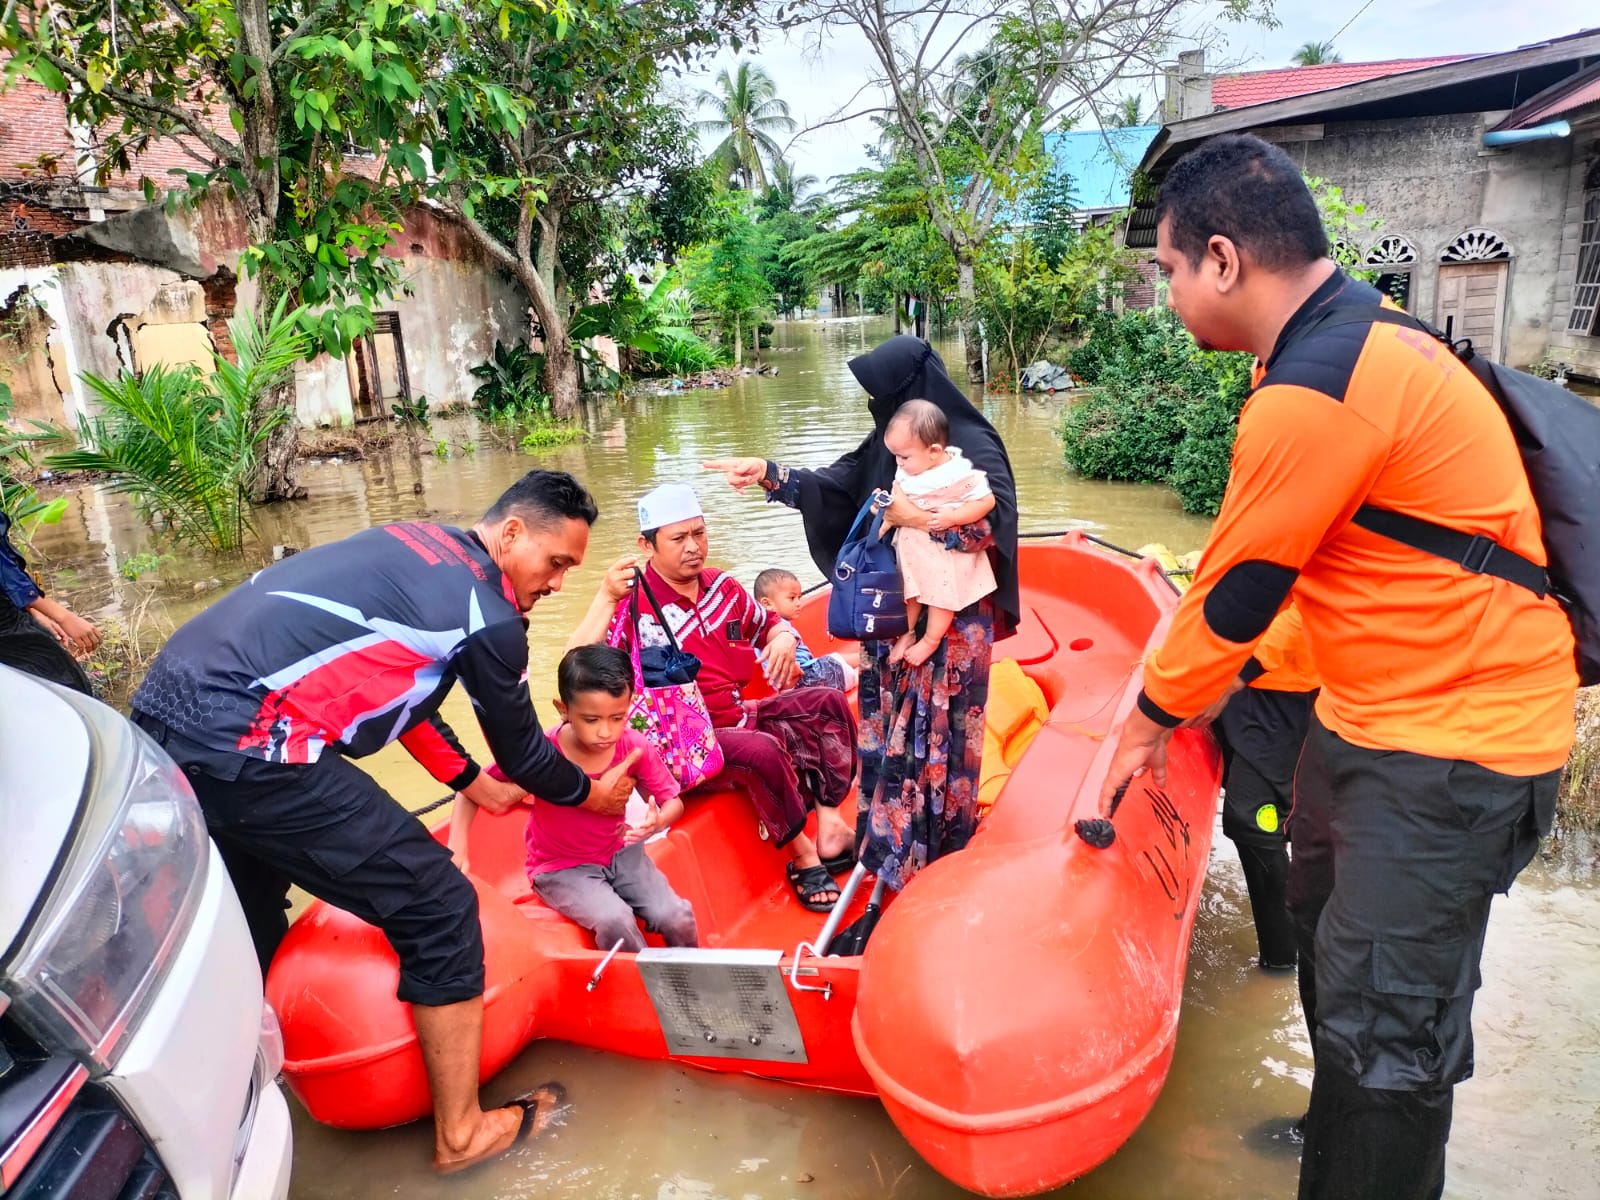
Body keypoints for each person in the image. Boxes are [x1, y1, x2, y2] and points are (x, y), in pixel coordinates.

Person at [1095, 134, 1576, 1200]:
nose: (1167, 294)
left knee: (1388, 1034)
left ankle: (1365, 1157)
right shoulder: (1358, 340)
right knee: (1333, 958)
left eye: (1167, 270)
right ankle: (1337, 1133)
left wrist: (1138, 731)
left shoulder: (1322, 382)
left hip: (1449, 749)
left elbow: (1236, 591)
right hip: (1364, 719)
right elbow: (1322, 573)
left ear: (1222, 260)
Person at [130, 470, 638, 1175]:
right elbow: (524, 754)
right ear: (512, 533)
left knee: (245, 905)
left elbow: (397, 684)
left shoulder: (419, 541)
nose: (557, 583)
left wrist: (471, 787)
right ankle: (462, 1134)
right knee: (439, 904)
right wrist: (589, 795)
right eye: (556, 564)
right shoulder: (489, 617)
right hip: (251, 739)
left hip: (165, 716)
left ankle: (248, 1086)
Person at [705, 335, 1019, 893]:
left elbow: (989, 530)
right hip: (891, 618)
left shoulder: (970, 445)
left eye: (883, 394)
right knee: (889, 741)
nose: (877, 408)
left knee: (932, 744)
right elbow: (840, 483)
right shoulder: (892, 442)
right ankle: (887, 849)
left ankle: (932, 860)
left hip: (949, 631)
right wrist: (770, 473)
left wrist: (917, 519)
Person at [567, 483, 858, 911]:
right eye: (678, 538)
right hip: (679, 746)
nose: (693, 547)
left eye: (699, 534)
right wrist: (604, 597)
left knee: (826, 702)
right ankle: (804, 857)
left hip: (737, 716)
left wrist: (780, 637)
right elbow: (575, 666)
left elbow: (768, 623)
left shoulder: (723, 587)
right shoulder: (631, 604)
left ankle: (830, 823)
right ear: (646, 545)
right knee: (760, 750)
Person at [449, 644, 697, 954]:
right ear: (563, 709)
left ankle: (694, 974)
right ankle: (640, 986)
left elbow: (673, 802)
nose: (605, 732)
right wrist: (458, 845)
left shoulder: (635, 745)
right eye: (591, 720)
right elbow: (470, 786)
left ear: (630, 706)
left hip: (621, 852)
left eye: (617, 718)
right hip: (561, 867)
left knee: (675, 915)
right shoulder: (540, 751)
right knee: (615, 921)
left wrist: (658, 821)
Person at [1211, 601, 1318, 972]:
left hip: (1283, 687)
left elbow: (1312, 602)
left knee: (1257, 827)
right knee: (1252, 820)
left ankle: (1284, 961)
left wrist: (1242, 667)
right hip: (1237, 679)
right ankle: (1288, 954)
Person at [880, 399, 997, 668]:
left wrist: (953, 517)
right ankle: (907, 632)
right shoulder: (910, 466)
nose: (898, 462)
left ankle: (930, 640)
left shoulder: (958, 474)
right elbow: (898, 498)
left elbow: (986, 502)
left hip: (944, 554)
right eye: (895, 456)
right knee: (908, 592)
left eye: (904, 457)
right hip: (911, 549)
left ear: (933, 451)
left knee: (940, 595)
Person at [1, 508, 100, 694]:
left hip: (12, 617)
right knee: (68, 690)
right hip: (8, 631)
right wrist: (61, 615)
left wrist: (32, 610)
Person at [752, 567, 858, 692]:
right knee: (842, 663)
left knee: (834, 658)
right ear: (767, 604)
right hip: (806, 678)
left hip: (793, 685)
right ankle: (868, 666)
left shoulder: (758, 630)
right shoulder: (777, 629)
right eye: (792, 598)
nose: (798, 603)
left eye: (799, 597)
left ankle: (866, 660)